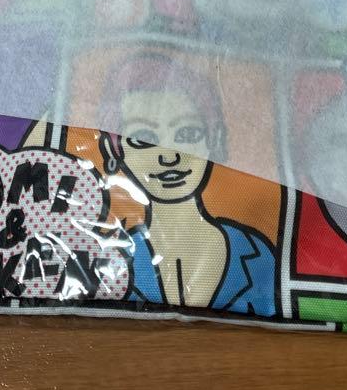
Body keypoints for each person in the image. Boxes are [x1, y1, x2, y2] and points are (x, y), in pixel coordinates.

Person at [98, 53, 276, 315]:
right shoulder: (112, 260)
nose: (169, 156)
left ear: (213, 139)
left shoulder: (256, 254)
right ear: (114, 150)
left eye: (187, 133)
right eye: (144, 138)